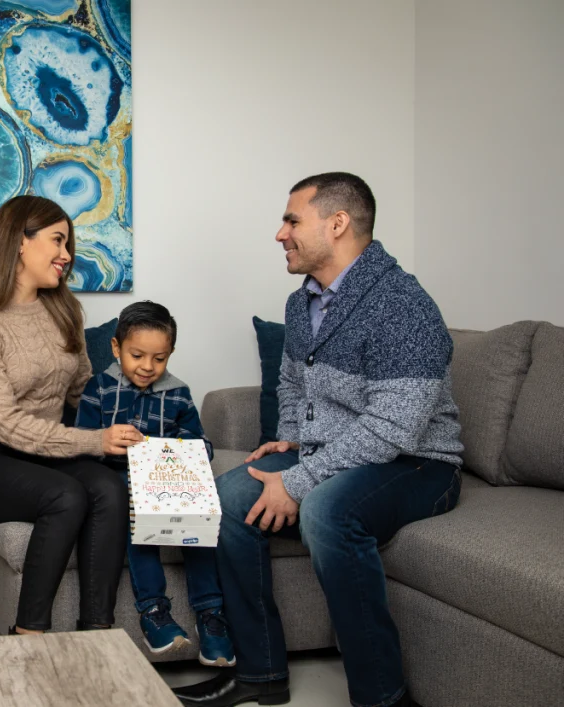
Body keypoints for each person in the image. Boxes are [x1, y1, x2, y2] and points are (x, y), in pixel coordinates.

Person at [174, 173, 463, 707]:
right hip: (338, 454)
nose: (279, 234)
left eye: (291, 220)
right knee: (230, 499)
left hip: (419, 463)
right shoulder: (300, 302)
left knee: (326, 512)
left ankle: (382, 696)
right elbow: (290, 383)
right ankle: (259, 675)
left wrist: (302, 479)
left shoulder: (402, 304)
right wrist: (289, 441)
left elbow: (396, 427)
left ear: (337, 224)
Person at [0, 195, 141, 635]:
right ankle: (28, 634)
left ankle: (97, 633)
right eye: (57, 240)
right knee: (64, 496)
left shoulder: (62, 310)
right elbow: (6, 424)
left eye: (68, 243)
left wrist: (137, 411)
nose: (67, 255)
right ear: (19, 242)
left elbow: (80, 394)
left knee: (106, 487)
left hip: (43, 452)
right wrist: (94, 442)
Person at [74, 300, 236, 666]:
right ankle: (154, 613)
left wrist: (176, 451)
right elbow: (82, 442)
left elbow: (199, 442)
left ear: (170, 354)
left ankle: (211, 617)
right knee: (136, 520)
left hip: (168, 478)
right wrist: (107, 441)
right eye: (137, 355)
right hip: (118, 478)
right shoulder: (98, 388)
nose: (148, 367)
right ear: (116, 348)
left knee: (199, 525)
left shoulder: (178, 393)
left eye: (159, 358)